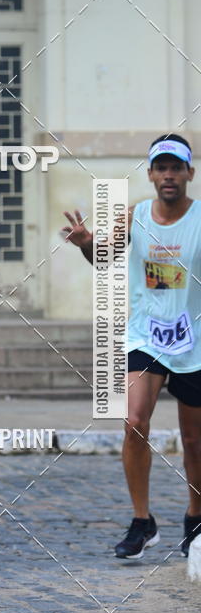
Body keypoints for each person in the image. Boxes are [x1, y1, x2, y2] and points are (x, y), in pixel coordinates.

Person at [62, 134, 201, 560]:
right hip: (146, 338)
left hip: (194, 341)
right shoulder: (134, 216)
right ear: (151, 174)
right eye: (161, 168)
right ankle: (143, 522)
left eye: (176, 168)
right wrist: (87, 243)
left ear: (189, 174)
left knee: (194, 441)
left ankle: (196, 519)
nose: (169, 176)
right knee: (134, 423)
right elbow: (103, 258)